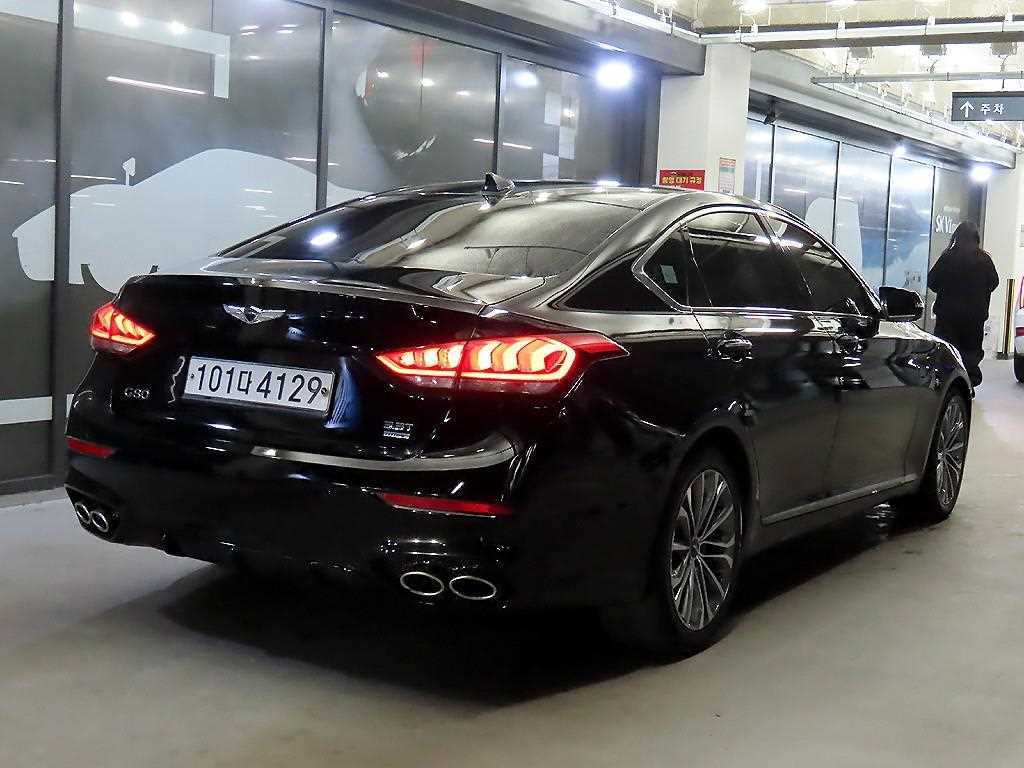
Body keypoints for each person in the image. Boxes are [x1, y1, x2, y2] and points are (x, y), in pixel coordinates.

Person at [927, 221, 999, 387]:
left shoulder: (947, 257)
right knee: (970, 353)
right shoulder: (984, 260)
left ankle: (947, 384)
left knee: (947, 352)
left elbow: (932, 282)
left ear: (956, 237)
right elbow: (994, 282)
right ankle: (968, 383)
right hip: (974, 318)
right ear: (977, 238)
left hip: (948, 317)